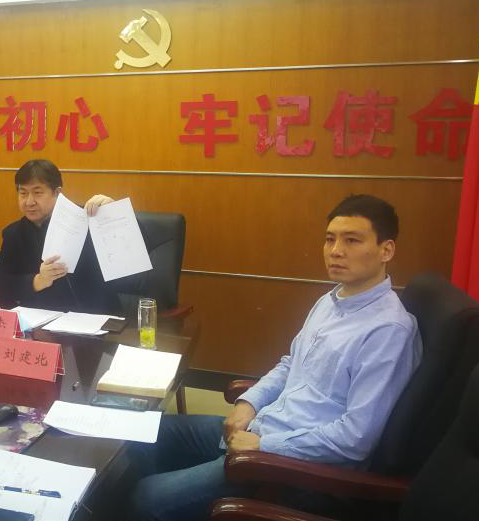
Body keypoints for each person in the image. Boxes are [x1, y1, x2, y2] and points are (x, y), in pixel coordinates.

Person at [130, 194, 422, 520]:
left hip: (296, 469)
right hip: (265, 427)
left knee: (146, 497)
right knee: (139, 433)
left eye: (352, 240)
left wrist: (264, 447)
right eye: (330, 239)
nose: (336, 250)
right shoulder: (332, 300)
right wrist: (248, 404)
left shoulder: (388, 331)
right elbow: (290, 364)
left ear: (386, 250)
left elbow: (356, 439)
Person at [0, 159, 141, 314]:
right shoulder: (13, 233)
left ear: (57, 193)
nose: (29, 202)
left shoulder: (88, 219)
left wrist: (113, 216)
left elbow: (135, 259)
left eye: (37, 193)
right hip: (40, 318)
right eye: (23, 193)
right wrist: (38, 281)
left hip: (94, 316)